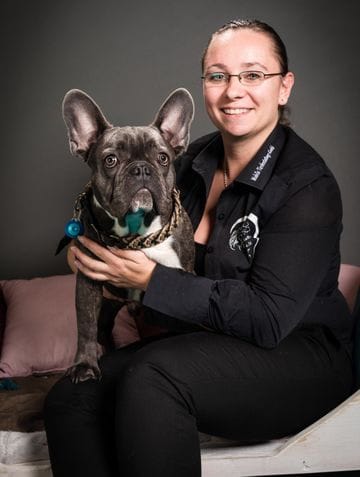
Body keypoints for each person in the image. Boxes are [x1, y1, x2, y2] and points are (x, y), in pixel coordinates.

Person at [44, 19, 354, 477]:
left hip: (301, 356)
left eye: (253, 74)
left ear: (284, 87)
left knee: (152, 377)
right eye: (218, 75)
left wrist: (149, 281)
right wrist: (90, 253)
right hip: (210, 345)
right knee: (72, 396)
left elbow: (268, 320)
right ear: (204, 87)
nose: (233, 90)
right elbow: (132, 229)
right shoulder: (185, 163)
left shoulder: (305, 186)